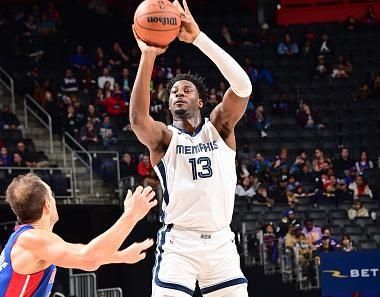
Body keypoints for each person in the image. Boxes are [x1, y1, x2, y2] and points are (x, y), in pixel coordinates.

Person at [129, 0, 252, 295]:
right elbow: (137, 120)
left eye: (186, 90)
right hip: (178, 246)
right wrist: (148, 55)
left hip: (221, 245)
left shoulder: (220, 128)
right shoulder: (164, 139)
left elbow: (243, 87)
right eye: (173, 92)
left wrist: (198, 38)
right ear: (169, 103)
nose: (179, 94)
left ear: (200, 101)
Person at [0, 174, 157, 296]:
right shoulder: (32, 239)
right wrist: (131, 216)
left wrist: (121, 256)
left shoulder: (28, 241)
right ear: (47, 204)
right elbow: (89, 258)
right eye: (52, 197)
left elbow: (80, 255)